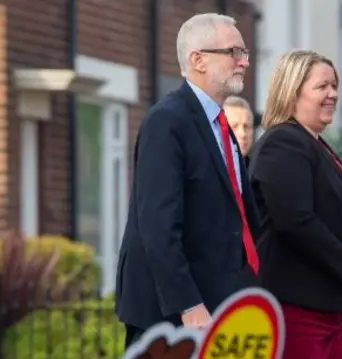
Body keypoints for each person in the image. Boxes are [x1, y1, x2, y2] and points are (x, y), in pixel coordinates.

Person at [115, 13, 260, 348]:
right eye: (233, 52)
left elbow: (239, 220)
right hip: (171, 317)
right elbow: (158, 226)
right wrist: (188, 304)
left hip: (218, 305)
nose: (244, 62)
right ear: (198, 60)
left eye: (245, 53)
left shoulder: (222, 128)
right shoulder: (167, 122)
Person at [248, 50, 342, 359]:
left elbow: (331, 220)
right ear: (292, 91)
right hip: (296, 309)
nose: (332, 94)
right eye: (322, 87)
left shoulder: (314, 145)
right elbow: (295, 221)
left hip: (329, 308)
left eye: (334, 86)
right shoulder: (282, 143)